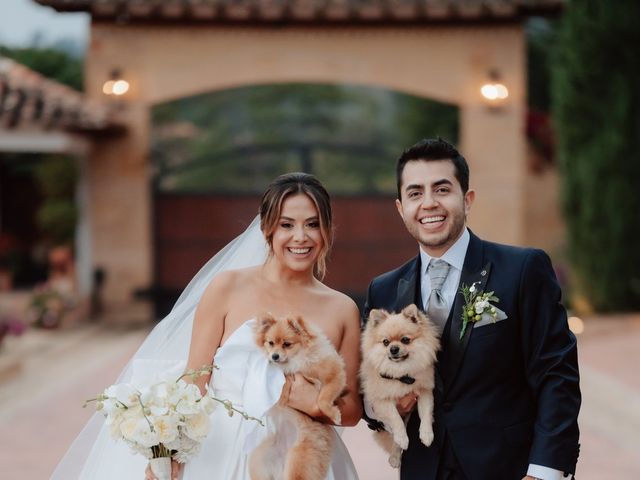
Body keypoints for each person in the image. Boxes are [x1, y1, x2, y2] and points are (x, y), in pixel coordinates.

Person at [52, 172, 362, 480]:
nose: (300, 237)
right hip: (222, 452)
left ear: (327, 230)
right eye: (286, 225)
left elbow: (350, 412)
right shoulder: (227, 288)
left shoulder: (342, 309)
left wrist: (303, 398)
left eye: (312, 224)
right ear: (267, 229)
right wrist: (169, 451)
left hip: (303, 458)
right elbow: (193, 383)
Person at [362, 139, 580, 480]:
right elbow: (371, 387)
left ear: (467, 199)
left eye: (442, 189)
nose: (429, 203)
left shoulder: (522, 270)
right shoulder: (384, 289)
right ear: (400, 207)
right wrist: (379, 406)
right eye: (415, 193)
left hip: (509, 468)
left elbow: (557, 375)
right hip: (423, 469)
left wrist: (545, 471)